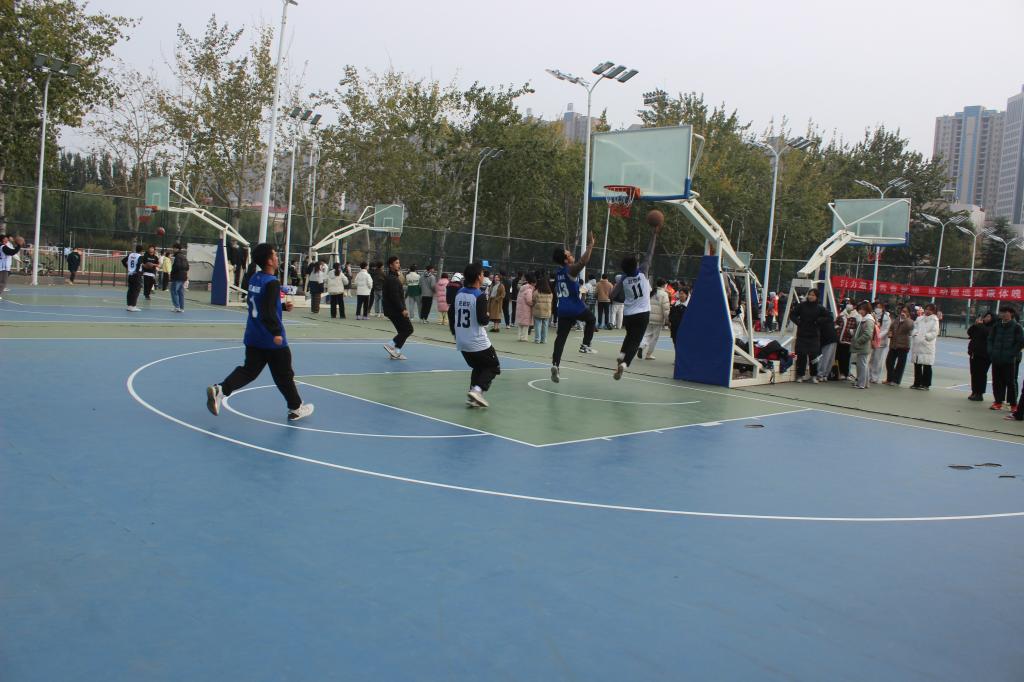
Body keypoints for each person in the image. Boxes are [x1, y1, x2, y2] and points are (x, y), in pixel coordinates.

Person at [206, 243, 313, 422]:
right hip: (271, 338)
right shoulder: (272, 283)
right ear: (269, 261)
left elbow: (259, 303)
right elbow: (268, 311)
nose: (277, 258)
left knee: (249, 371)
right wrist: (276, 332)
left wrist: (281, 307)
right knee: (284, 375)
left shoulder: (255, 278)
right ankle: (295, 408)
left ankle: (221, 389)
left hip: (253, 335)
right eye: (275, 255)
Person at [612, 221, 661, 379]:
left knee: (629, 335)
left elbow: (612, 295)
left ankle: (621, 355)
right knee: (636, 340)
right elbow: (650, 253)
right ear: (636, 265)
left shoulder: (623, 279)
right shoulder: (643, 271)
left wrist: (621, 288)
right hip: (642, 314)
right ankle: (625, 363)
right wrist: (654, 234)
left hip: (628, 314)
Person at [550, 232, 598, 383]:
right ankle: (585, 345)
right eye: (569, 254)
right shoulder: (570, 270)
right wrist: (590, 245)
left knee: (561, 339)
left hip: (562, 309)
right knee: (591, 319)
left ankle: (555, 365)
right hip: (574, 307)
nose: (572, 255)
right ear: (566, 260)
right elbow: (583, 261)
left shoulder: (558, 273)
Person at [453, 262, 502, 407]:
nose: (483, 275)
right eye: (481, 273)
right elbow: (483, 321)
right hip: (477, 341)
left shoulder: (459, 293)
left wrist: (455, 333)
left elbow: (452, 313)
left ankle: (472, 396)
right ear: (478, 277)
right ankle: (478, 390)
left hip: (462, 341)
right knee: (494, 366)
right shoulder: (479, 296)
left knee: (479, 367)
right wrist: (487, 315)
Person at [987, 305, 1024, 409]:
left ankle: (1013, 404)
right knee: (996, 381)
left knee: (1010, 382)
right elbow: (990, 339)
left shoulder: (1017, 327)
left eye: (1005, 312)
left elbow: (1020, 342)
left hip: (1009, 360)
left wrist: (1011, 354)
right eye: (1001, 312)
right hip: (996, 358)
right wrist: (991, 351)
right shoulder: (997, 326)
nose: (1003, 314)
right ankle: (998, 402)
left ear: (1011, 314)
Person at [790, 289, 826, 382]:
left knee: (814, 356)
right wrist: (799, 322)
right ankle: (800, 375)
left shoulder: (820, 308)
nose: (810, 296)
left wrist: (819, 321)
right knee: (801, 355)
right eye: (809, 294)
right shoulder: (802, 305)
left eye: (813, 295)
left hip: (814, 336)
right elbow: (792, 315)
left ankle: (813, 375)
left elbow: (829, 317)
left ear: (817, 297)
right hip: (802, 334)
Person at [382, 255, 413, 360]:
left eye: (399, 263)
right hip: (395, 310)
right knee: (408, 329)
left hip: (393, 309)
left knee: (402, 331)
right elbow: (394, 296)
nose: (398, 265)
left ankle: (396, 352)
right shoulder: (392, 279)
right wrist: (402, 309)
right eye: (396, 263)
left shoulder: (394, 277)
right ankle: (390, 344)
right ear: (391, 265)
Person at [909, 303, 940, 390]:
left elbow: (934, 332)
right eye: (927, 309)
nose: (928, 311)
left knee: (927, 365)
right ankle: (917, 383)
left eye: (930, 309)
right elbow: (915, 327)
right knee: (917, 364)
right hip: (917, 344)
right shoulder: (919, 318)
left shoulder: (934, 320)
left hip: (927, 345)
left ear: (934, 311)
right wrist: (915, 334)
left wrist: (926, 336)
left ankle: (926, 384)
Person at [966, 312, 995, 402]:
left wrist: (980, 325)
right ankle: (974, 391)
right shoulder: (979, 326)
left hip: (984, 355)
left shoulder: (993, 327)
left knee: (981, 374)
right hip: (974, 353)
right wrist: (975, 325)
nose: (986, 318)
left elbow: (986, 333)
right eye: (985, 316)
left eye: (989, 317)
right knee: (974, 373)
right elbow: (970, 332)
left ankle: (979, 393)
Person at [640, 279, 671, 361]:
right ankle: (648, 354)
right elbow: (666, 308)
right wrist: (667, 319)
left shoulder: (651, 292)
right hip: (658, 319)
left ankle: (642, 346)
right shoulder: (664, 294)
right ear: (664, 285)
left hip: (649, 317)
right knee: (654, 337)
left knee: (647, 334)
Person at [884, 305, 914, 386]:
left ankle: (896, 380)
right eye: (902, 311)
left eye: (905, 311)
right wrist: (890, 332)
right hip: (894, 344)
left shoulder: (910, 321)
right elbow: (891, 327)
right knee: (889, 362)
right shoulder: (897, 319)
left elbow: (910, 327)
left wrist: (906, 319)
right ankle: (890, 379)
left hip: (903, 345)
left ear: (908, 313)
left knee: (900, 364)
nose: (903, 313)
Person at [850, 301, 876, 389]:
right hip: (863, 346)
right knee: (863, 365)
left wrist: (858, 341)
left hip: (863, 345)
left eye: (862, 309)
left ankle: (861, 383)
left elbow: (868, 334)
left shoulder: (868, 320)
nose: (860, 311)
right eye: (860, 309)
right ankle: (865, 383)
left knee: (862, 365)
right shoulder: (866, 319)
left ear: (866, 310)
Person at [867, 302, 891, 384]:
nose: (878, 308)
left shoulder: (887, 317)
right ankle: (868, 376)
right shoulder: (872, 315)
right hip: (871, 340)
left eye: (879, 307)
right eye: (876, 307)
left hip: (881, 342)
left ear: (883, 308)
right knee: (870, 359)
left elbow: (886, 330)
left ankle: (875, 377)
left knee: (877, 360)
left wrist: (878, 336)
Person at [835, 301, 858, 380]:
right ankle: (838, 372)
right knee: (838, 356)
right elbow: (836, 323)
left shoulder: (856, 316)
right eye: (848, 303)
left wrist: (850, 332)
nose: (849, 305)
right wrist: (838, 329)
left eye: (850, 303)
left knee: (846, 358)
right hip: (839, 339)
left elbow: (857, 329)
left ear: (854, 306)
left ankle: (845, 373)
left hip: (848, 341)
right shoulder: (842, 314)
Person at [815, 306, 838, 382]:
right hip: (833, 338)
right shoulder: (830, 317)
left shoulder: (819, 320)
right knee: (830, 358)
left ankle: (820, 374)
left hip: (826, 340)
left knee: (824, 358)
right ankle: (825, 375)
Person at [0, 234, 25, 299]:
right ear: (3, 239)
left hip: (3, 266)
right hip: (3, 267)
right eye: (5, 238)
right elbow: (12, 252)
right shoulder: (3, 247)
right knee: (3, 282)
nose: (7, 239)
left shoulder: (3, 246)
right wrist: (19, 245)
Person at [122, 244, 144, 312]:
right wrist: (138, 272)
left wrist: (128, 268)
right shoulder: (140, 256)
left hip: (130, 275)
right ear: (142, 251)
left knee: (130, 290)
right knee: (136, 291)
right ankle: (133, 306)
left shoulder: (130, 255)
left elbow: (123, 261)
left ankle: (129, 306)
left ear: (136, 249)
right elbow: (139, 265)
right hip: (136, 275)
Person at [532, 276, 553, 344]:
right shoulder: (550, 292)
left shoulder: (537, 292)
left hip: (538, 310)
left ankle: (537, 339)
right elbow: (551, 301)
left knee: (538, 325)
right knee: (545, 325)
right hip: (547, 310)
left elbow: (533, 300)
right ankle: (544, 339)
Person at [169, 243, 189, 313]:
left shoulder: (177, 257)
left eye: (173, 248)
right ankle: (181, 308)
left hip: (177, 276)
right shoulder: (184, 256)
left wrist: (172, 273)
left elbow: (176, 266)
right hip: (183, 277)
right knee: (180, 292)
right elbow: (187, 267)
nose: (173, 249)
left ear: (176, 249)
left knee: (173, 291)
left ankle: (177, 307)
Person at [515, 273, 535, 341]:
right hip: (526, 309)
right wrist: (533, 303)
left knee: (520, 324)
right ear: (532, 283)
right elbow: (529, 300)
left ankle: (519, 337)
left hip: (520, 308)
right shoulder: (529, 290)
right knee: (526, 325)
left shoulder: (522, 288)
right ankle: (524, 338)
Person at [446, 271, 464, 336]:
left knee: (451, 313)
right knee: (456, 314)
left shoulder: (449, 284)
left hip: (449, 300)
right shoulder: (459, 285)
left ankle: (452, 326)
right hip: (456, 301)